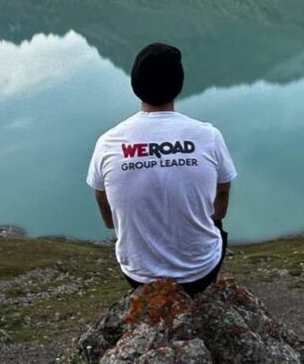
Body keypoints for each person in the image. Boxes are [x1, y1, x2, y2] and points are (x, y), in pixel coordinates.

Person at [86, 42, 237, 295]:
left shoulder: (108, 142)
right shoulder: (208, 136)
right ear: (178, 85)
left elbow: (105, 206)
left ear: (136, 85)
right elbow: (221, 199)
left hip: (139, 276)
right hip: (200, 272)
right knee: (216, 226)